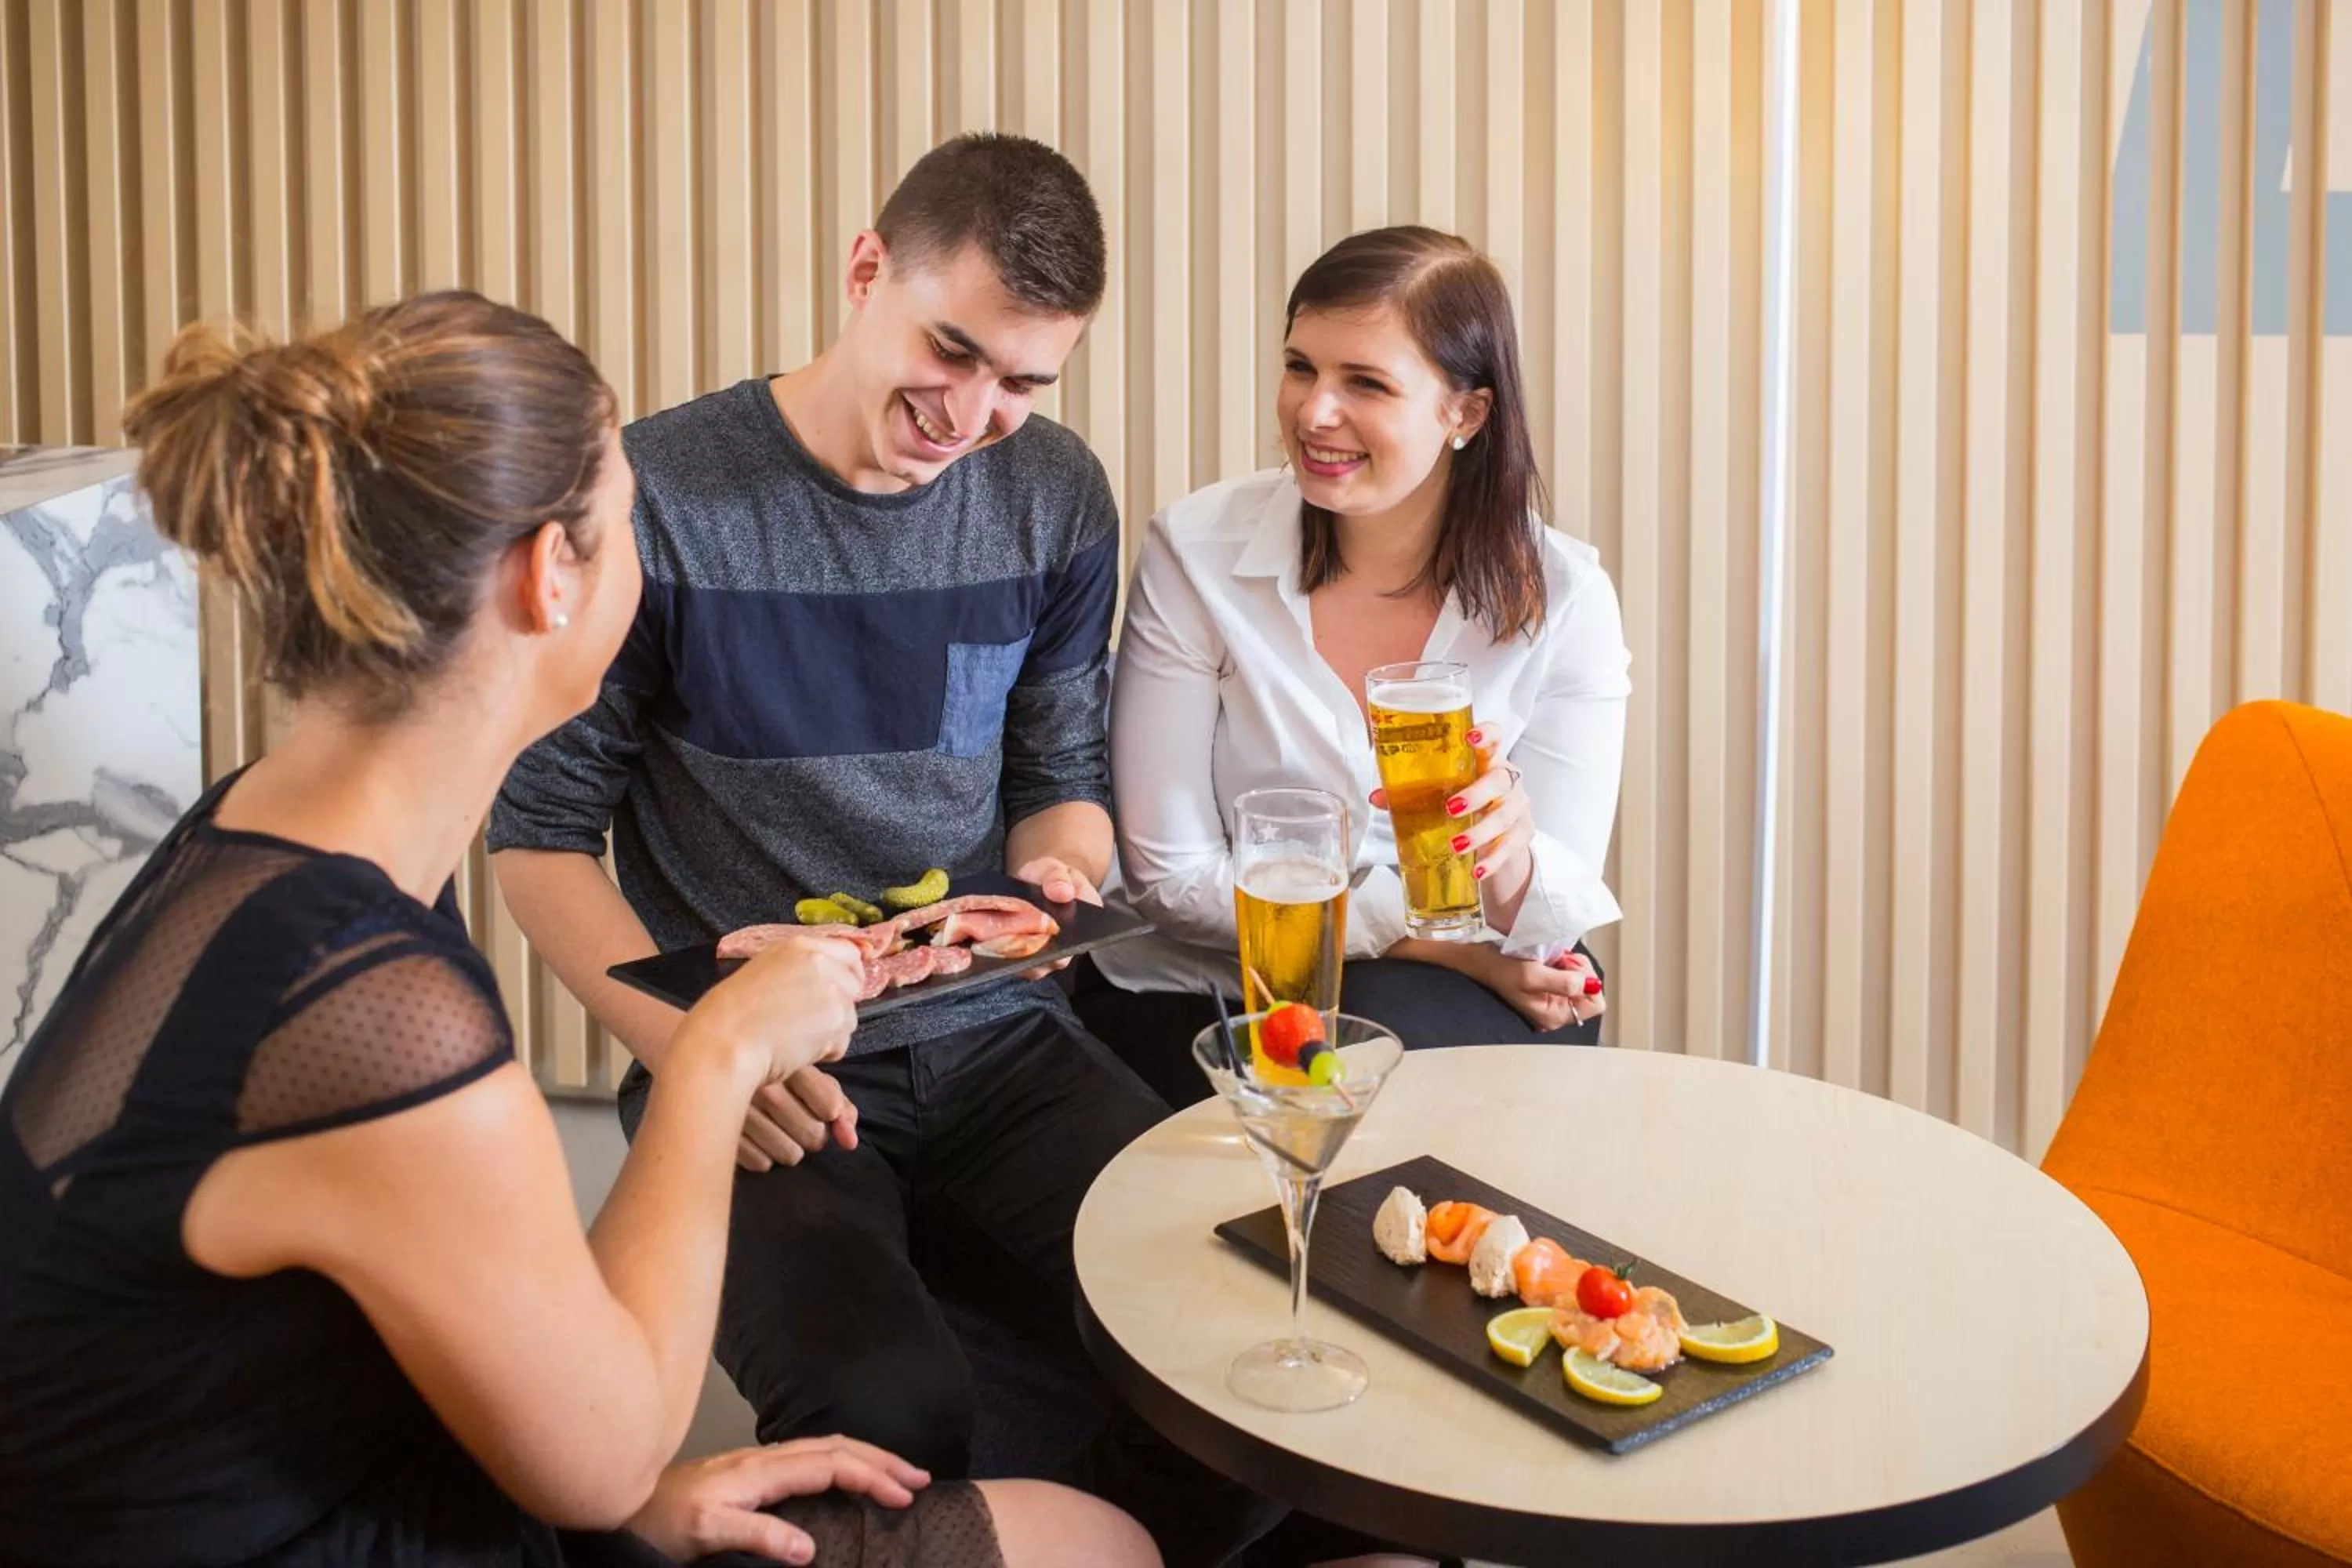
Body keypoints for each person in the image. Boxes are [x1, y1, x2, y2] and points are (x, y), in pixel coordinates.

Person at [0, 292, 1153, 1568]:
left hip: (359, 1480)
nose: (647, 565)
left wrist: (650, 1498)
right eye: (623, 528)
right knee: (1106, 1548)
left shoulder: (261, 833)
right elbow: (604, 1453)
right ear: (552, 578)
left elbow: (507, 1368)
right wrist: (712, 1055)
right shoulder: (376, 1014)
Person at [485, 136, 1268, 1566]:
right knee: (882, 1410)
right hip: (761, 1066)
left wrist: (1062, 869)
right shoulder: (659, 501)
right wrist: (693, 1048)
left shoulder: (1054, 495)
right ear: (865, 272)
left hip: (998, 1032)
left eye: (1024, 382)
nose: (973, 413)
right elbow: (536, 839)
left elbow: (1056, 781)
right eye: (950, 349)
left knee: (1245, 1322)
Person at [1077, 226, 1630, 1109]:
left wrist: (1512, 856)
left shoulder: (1564, 596)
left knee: (1393, 1047)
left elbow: (1544, 918)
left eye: (1365, 383)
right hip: (1201, 979)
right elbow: (1172, 880)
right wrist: (1429, 937)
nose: (1312, 412)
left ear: (1466, 414)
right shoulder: (1197, 553)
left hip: (1467, 973)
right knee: (1343, 1058)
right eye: (1302, 367)